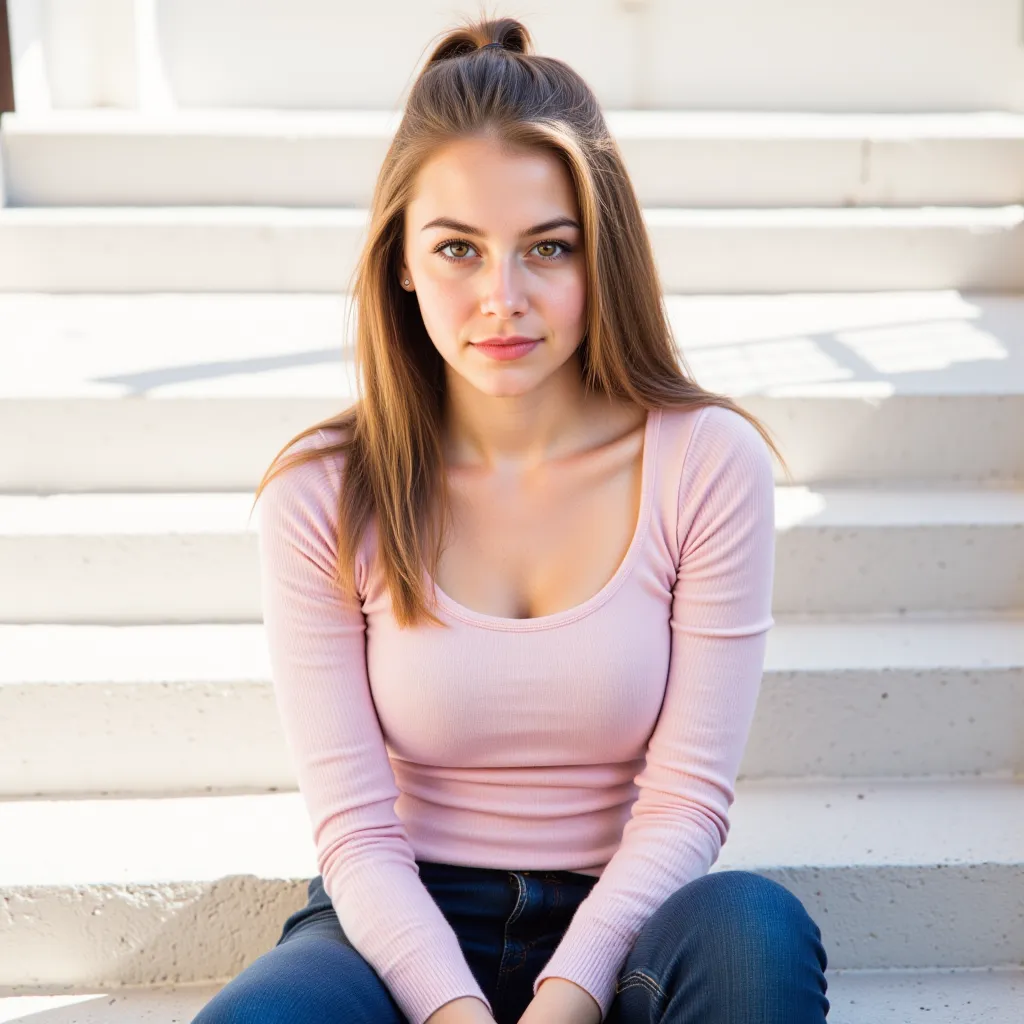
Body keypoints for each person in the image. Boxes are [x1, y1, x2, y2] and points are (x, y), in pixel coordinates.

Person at [192, 14, 829, 1024]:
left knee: (752, 930)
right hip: (399, 926)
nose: (503, 297)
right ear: (400, 259)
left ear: (600, 255)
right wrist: (451, 1009)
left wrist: (565, 997)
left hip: (627, 924)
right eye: (456, 249)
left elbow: (683, 804)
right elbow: (354, 831)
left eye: (548, 247)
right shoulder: (323, 489)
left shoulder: (704, 462)